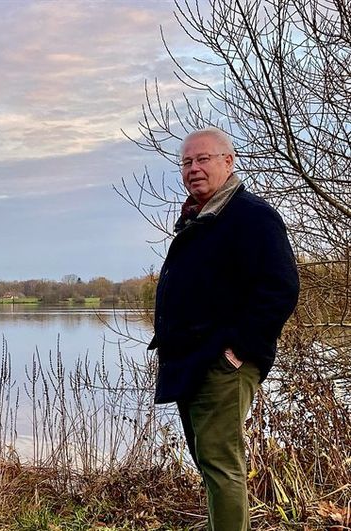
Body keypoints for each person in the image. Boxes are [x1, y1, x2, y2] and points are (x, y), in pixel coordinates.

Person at [149, 127, 299, 530]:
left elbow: (280, 288)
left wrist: (238, 350)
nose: (193, 169)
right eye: (186, 162)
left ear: (229, 162)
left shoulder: (251, 216)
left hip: (223, 363)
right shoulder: (202, 218)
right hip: (191, 361)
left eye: (204, 159)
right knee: (209, 460)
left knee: (220, 463)